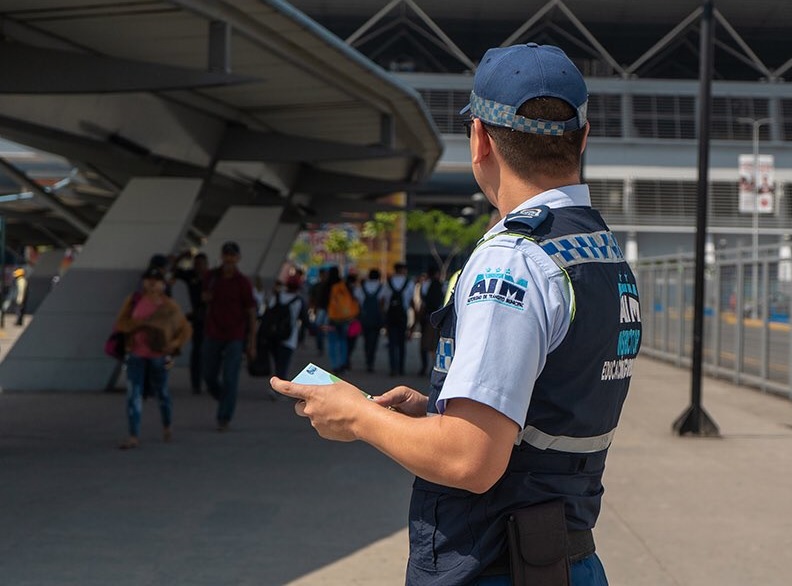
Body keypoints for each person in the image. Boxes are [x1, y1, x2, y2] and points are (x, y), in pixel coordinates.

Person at [271, 43, 642, 586]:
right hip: (566, 558)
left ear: (480, 140)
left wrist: (357, 415)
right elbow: (556, 405)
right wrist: (444, 408)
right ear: (582, 139)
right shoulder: (599, 251)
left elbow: (471, 460)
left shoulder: (512, 262)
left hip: (495, 564)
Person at [113, 267, 192, 449]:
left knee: (162, 393)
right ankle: (133, 435)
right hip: (136, 354)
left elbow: (185, 329)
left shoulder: (170, 306)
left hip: (158, 356)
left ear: (163, 284)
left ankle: (167, 424)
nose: (151, 284)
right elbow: (120, 323)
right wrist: (138, 324)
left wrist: (173, 345)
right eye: (148, 280)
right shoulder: (134, 301)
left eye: (155, 280)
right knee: (134, 394)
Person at [202, 241, 257, 432]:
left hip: (235, 335)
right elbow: (203, 298)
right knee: (208, 375)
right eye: (226, 255)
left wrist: (252, 343)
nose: (229, 259)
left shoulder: (243, 282)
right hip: (213, 332)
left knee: (230, 377)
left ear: (238, 258)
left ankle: (224, 417)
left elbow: (251, 312)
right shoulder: (211, 277)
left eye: (232, 255)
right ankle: (224, 398)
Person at [172, 251, 209, 394]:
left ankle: (209, 379)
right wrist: (180, 257)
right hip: (197, 318)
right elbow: (174, 271)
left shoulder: (211, 277)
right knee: (198, 351)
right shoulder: (191, 276)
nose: (198, 267)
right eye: (196, 264)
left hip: (211, 318)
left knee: (210, 351)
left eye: (201, 265)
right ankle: (196, 384)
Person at [266, 275, 307, 379]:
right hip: (289, 337)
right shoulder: (298, 301)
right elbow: (305, 320)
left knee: (276, 362)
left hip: (273, 335)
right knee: (283, 365)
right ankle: (279, 388)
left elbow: (268, 313)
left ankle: (275, 383)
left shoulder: (277, 296)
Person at [324, 266, 358, 374]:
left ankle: (335, 365)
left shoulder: (326, 285)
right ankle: (343, 364)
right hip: (345, 318)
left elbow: (322, 302)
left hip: (331, 318)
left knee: (332, 342)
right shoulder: (344, 285)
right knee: (343, 341)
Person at [383, 262, 413, 376]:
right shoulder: (409, 283)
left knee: (392, 343)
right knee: (401, 343)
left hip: (391, 315)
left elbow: (383, 300)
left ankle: (393, 368)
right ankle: (401, 368)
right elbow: (411, 301)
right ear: (403, 270)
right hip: (402, 316)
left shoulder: (388, 283)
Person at [416, 267, 444, 376]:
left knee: (424, 344)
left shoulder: (424, 285)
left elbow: (422, 302)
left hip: (426, 317)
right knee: (434, 344)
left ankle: (424, 366)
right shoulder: (440, 285)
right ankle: (434, 367)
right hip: (436, 318)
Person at [356, 268, 385, 373]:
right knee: (374, 340)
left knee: (366, 340)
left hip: (365, 317)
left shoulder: (362, 287)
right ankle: (371, 361)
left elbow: (358, 301)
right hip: (376, 318)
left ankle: (367, 360)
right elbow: (383, 302)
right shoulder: (382, 287)